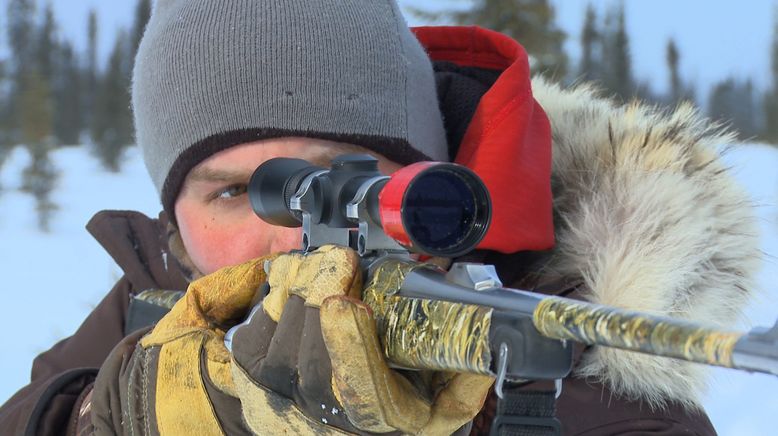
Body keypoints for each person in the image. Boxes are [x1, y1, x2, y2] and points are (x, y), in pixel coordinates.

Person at [0, 0, 760, 434]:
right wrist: (111, 415)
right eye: (235, 192)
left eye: (346, 178)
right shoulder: (153, 311)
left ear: (436, 184)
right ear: (173, 223)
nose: (297, 236)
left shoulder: (590, 381)